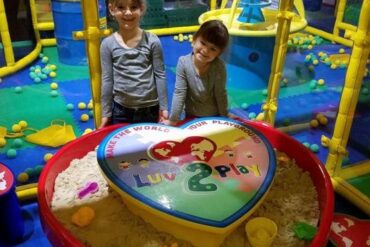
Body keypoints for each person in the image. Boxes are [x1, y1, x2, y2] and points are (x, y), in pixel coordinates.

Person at [99, 0, 168, 128]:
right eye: (121, 7)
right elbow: (107, 79)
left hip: (149, 109)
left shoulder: (152, 41)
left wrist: (164, 108)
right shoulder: (107, 44)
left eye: (133, 7)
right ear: (111, 9)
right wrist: (106, 113)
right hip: (121, 110)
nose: (128, 12)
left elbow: (160, 74)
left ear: (141, 9)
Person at [164, 19, 230, 126]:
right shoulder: (183, 63)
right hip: (191, 117)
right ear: (194, 40)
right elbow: (179, 93)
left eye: (212, 49)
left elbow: (220, 93)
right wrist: (173, 120)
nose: (205, 50)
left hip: (214, 117)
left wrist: (225, 116)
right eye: (203, 43)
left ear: (218, 53)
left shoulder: (218, 66)